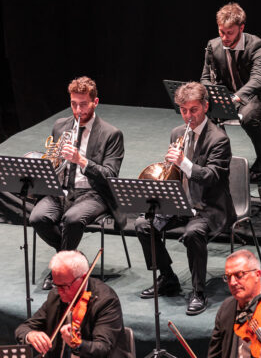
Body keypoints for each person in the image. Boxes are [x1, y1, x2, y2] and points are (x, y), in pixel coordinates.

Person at [135, 82, 235, 316]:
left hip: (209, 207)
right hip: (181, 204)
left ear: (206, 107)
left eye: (194, 110)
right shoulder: (177, 133)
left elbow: (211, 177)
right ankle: (168, 278)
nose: (188, 116)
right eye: (183, 110)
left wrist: (184, 163)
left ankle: (198, 291)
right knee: (143, 224)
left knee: (193, 234)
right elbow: (174, 173)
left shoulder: (219, 139)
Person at [31, 76, 125, 291]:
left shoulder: (111, 134)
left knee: (73, 219)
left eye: (83, 104)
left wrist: (81, 160)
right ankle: (72, 258)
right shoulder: (60, 126)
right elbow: (53, 160)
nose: (78, 110)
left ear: (95, 102)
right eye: (74, 104)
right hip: (62, 189)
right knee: (37, 218)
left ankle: (61, 271)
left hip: (94, 193)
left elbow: (110, 176)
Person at [201, 2, 261, 185]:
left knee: (247, 115)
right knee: (207, 113)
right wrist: (211, 94)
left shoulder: (258, 46)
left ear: (241, 28)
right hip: (229, 95)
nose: (225, 37)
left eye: (230, 33)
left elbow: (258, 80)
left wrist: (236, 97)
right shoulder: (213, 46)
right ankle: (219, 159)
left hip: (259, 96)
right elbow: (205, 76)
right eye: (221, 32)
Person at [15, 250, 131, 358]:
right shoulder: (55, 296)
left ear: (83, 278)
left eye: (65, 286)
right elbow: (23, 328)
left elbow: (103, 348)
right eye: (56, 285)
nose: (60, 291)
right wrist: (30, 335)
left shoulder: (106, 300)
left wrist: (77, 344)